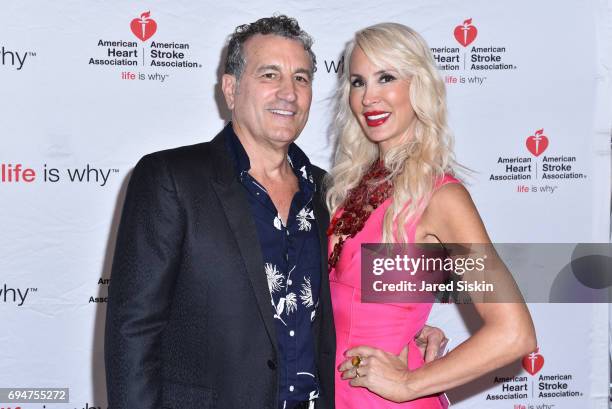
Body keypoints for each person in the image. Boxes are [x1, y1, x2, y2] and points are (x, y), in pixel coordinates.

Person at [105, 16, 446, 409]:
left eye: (301, 78)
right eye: (270, 74)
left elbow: (392, 281)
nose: (289, 92)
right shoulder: (171, 178)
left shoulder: (332, 193)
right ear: (231, 90)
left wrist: (410, 330)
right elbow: (133, 331)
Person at [325, 23, 537, 408]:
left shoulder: (443, 198)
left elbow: (514, 332)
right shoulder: (352, 188)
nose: (369, 97)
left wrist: (409, 384)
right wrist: (414, 326)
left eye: (385, 77)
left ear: (417, 84)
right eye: (358, 82)